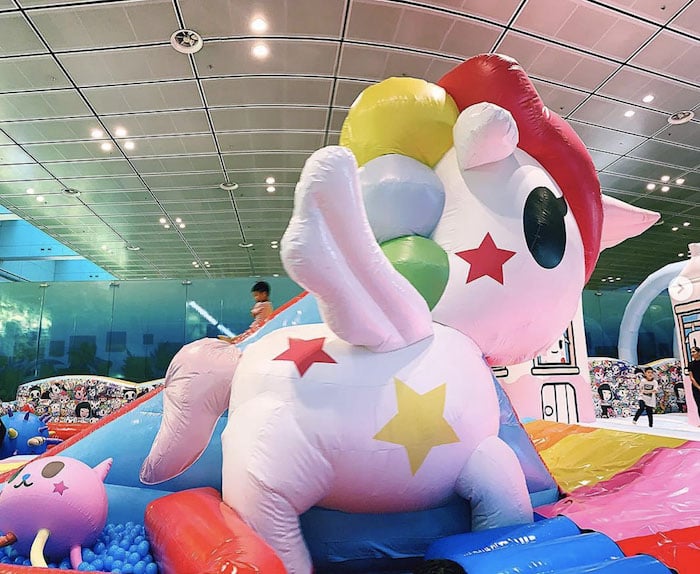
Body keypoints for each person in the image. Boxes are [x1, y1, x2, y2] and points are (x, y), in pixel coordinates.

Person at [689, 346, 700, 419]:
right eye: (691, 352)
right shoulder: (691, 364)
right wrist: (699, 387)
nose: (692, 354)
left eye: (694, 352)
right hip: (696, 388)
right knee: (699, 405)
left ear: (699, 353)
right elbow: (692, 378)